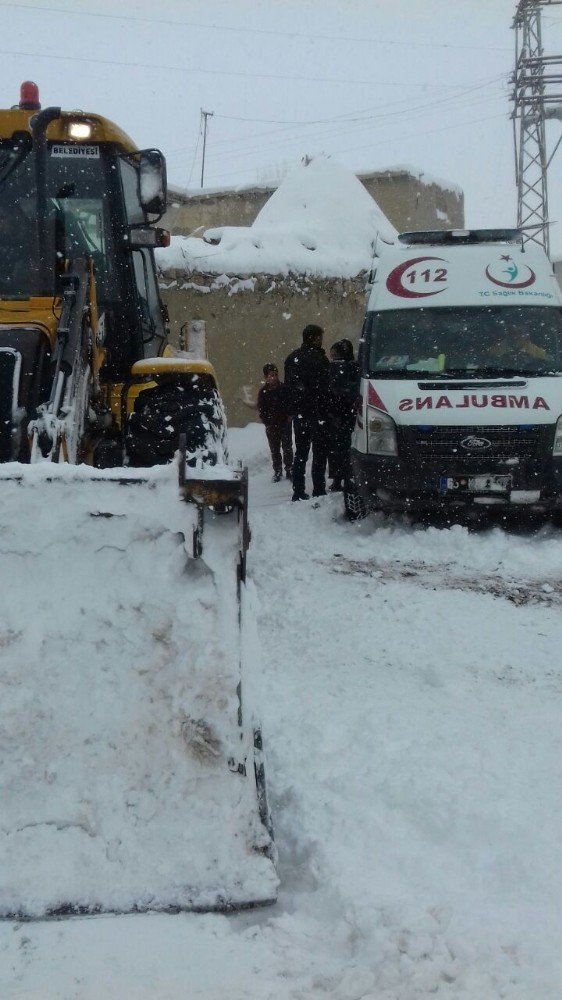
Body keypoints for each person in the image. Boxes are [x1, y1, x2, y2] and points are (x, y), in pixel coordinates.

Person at [284, 323, 330, 501]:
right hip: (318, 412)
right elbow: (326, 387)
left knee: (301, 452)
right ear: (314, 338)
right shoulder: (320, 359)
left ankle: (298, 490)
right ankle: (318, 488)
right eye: (320, 338)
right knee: (319, 451)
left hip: (301, 413)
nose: (321, 341)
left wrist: (293, 408)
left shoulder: (292, 359)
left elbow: (289, 388)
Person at [328, 339, 360, 491]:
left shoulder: (336, 368)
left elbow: (330, 391)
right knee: (344, 448)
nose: (334, 358)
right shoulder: (353, 367)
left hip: (338, 415)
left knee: (338, 449)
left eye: (335, 354)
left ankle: (340, 479)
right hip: (346, 414)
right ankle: (346, 477)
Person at [257, 363, 293, 482]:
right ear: (266, 377)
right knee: (275, 450)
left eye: (275, 375)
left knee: (287, 447)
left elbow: (290, 403)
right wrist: (267, 422)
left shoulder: (284, 388)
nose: (274, 377)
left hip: (285, 423)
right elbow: (262, 409)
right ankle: (277, 470)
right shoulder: (263, 392)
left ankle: (289, 469)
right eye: (271, 375)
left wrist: (289, 416)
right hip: (272, 425)